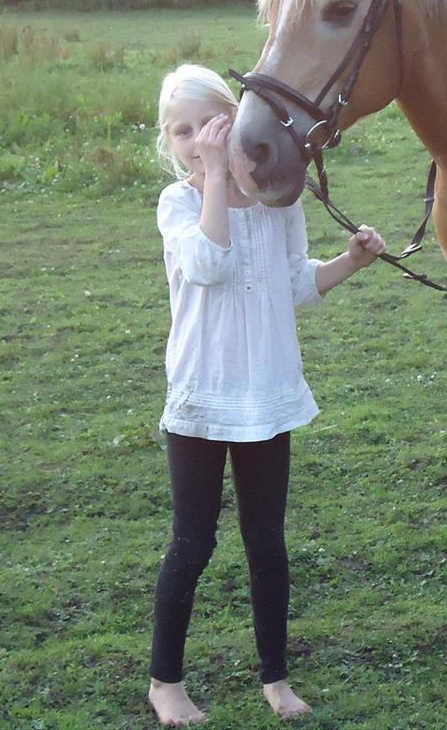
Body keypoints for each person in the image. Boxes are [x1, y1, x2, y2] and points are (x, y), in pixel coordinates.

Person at [147, 64, 386, 725]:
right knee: (192, 545)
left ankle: (275, 679)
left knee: (267, 542)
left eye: (209, 124)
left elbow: (293, 284)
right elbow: (209, 263)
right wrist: (218, 180)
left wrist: (351, 262)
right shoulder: (180, 205)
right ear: (171, 142)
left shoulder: (283, 203)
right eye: (183, 130)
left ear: (237, 122)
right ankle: (165, 681)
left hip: (266, 393)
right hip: (202, 395)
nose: (198, 139)